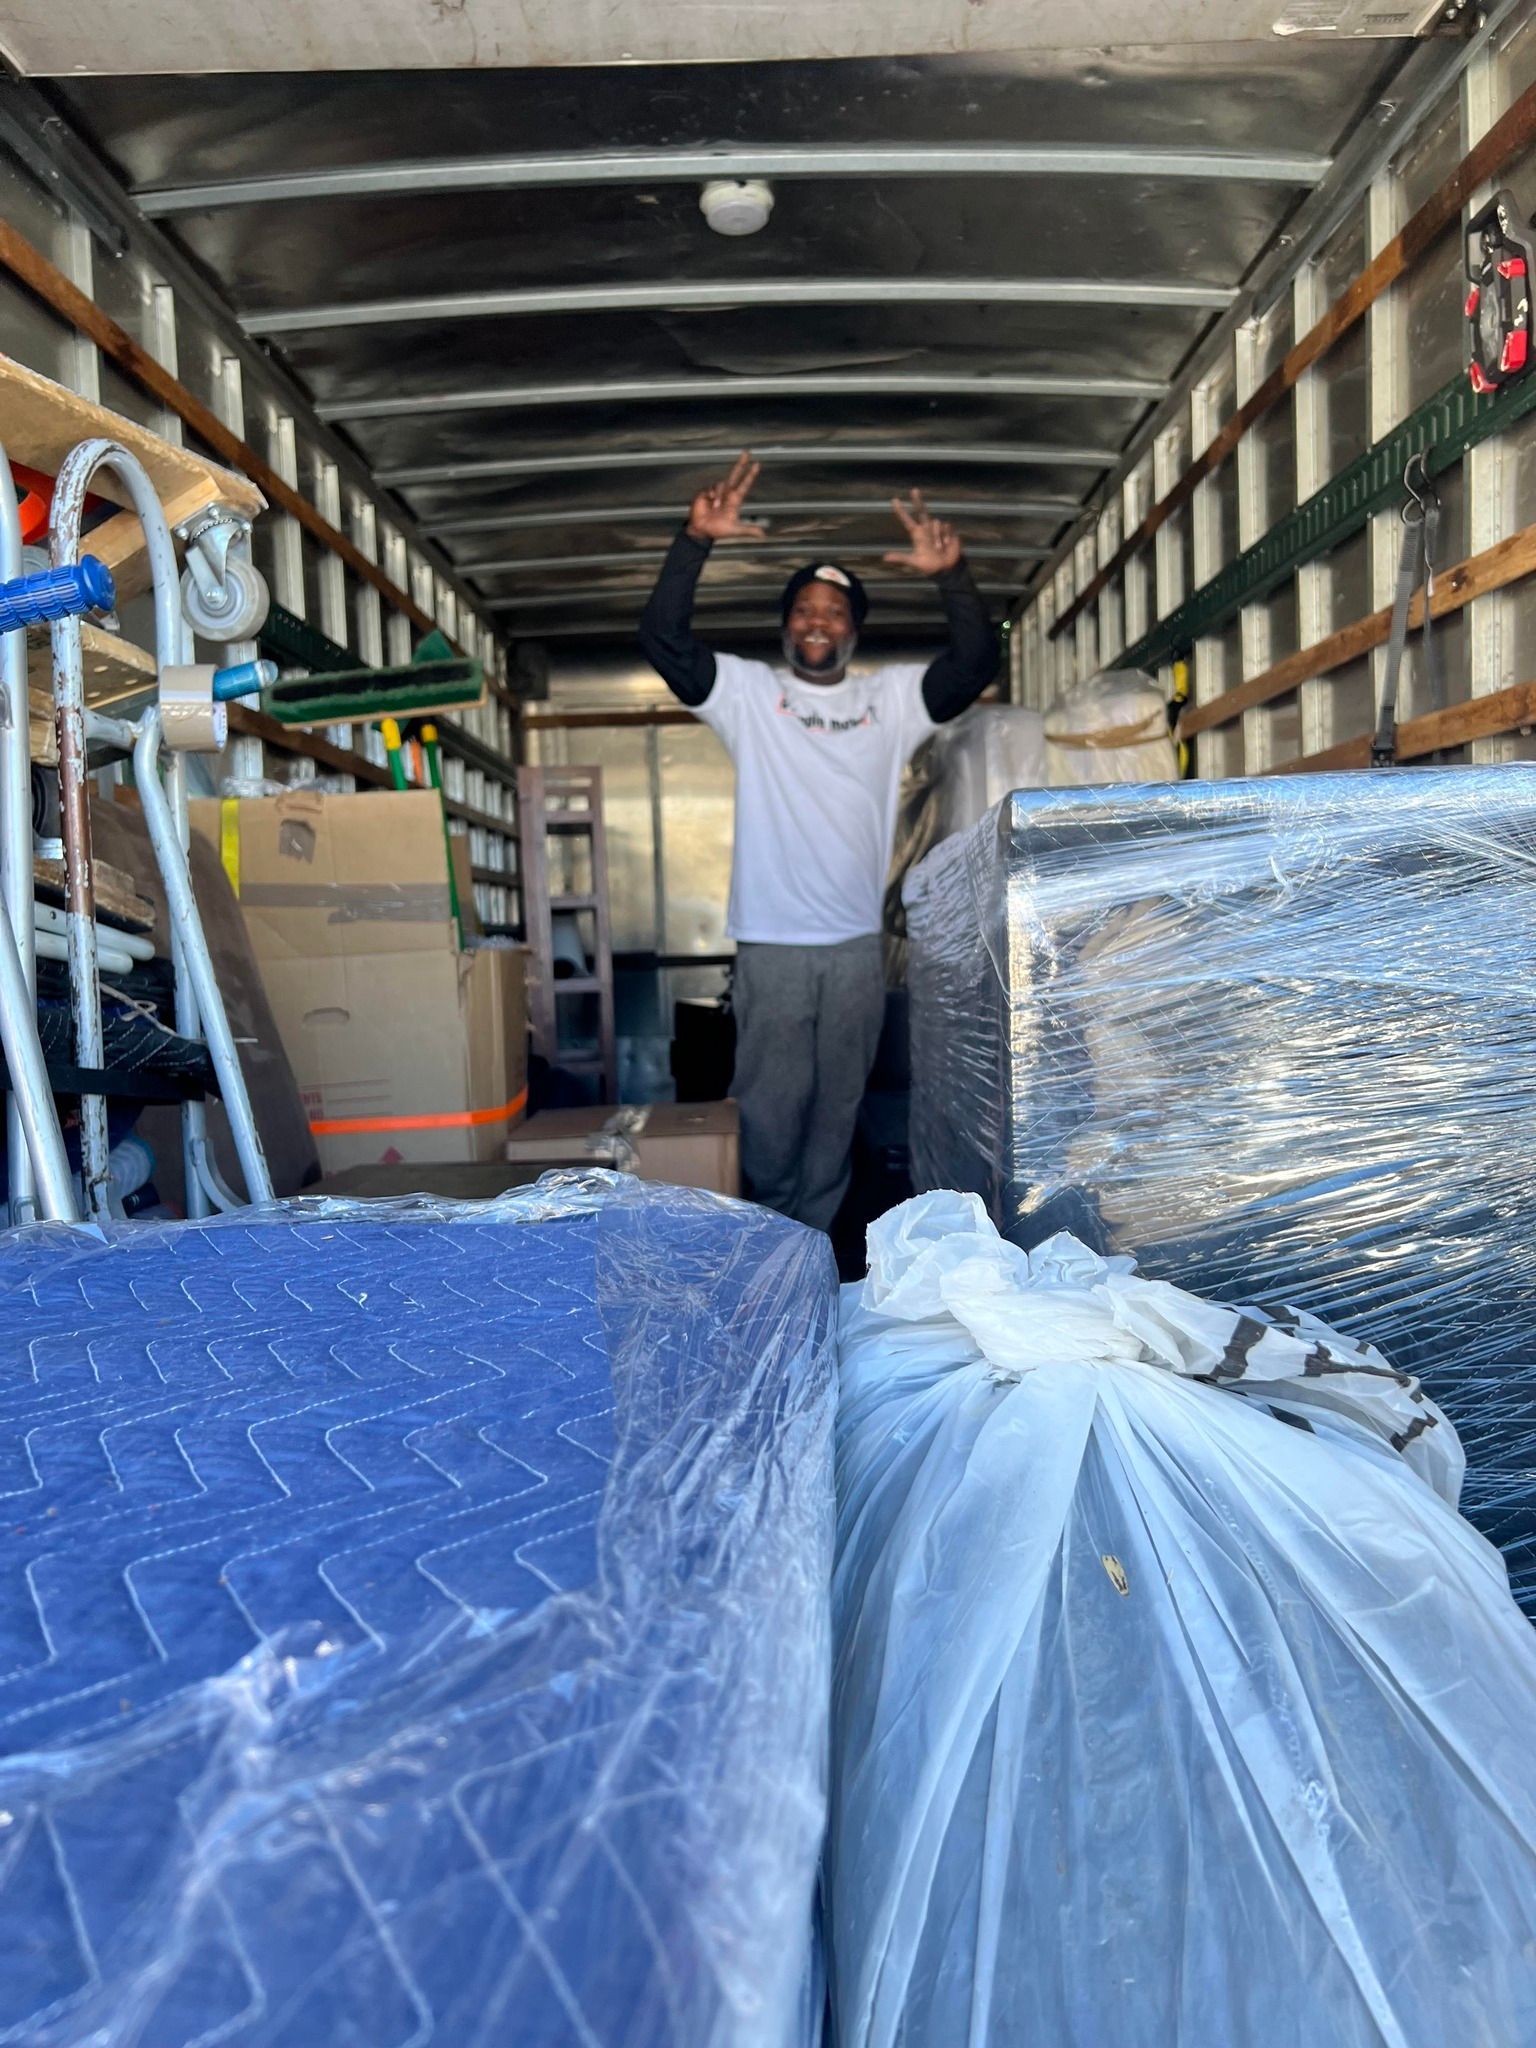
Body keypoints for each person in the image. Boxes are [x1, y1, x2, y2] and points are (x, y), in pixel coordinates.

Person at [638, 450, 999, 1232]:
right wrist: (693, 541)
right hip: (771, 945)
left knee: (837, 1110)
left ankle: (815, 1249)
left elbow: (975, 662)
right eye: (804, 609)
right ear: (785, 624)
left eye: (834, 612)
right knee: (770, 1110)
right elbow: (663, 638)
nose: (816, 622)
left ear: (853, 631)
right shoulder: (749, 694)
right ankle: (768, 1240)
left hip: (853, 952)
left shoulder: (891, 700)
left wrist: (953, 574)